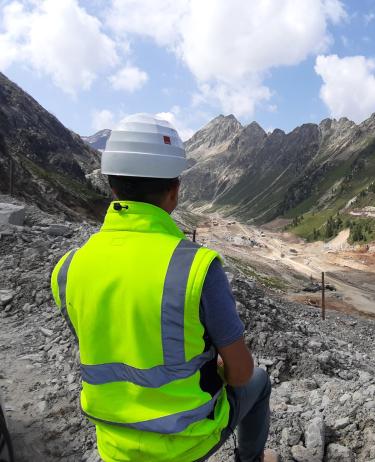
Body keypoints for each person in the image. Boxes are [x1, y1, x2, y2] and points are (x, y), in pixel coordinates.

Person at [50, 114, 275, 462]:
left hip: (113, 442)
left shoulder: (67, 269)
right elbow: (240, 372)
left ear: (112, 186)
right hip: (186, 440)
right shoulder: (197, 268)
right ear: (174, 192)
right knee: (258, 382)